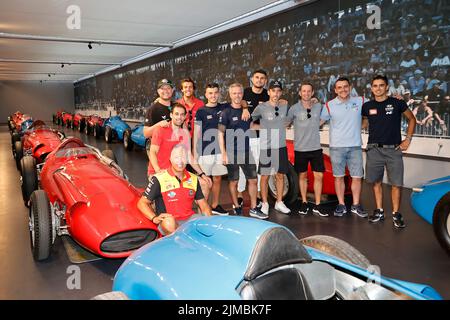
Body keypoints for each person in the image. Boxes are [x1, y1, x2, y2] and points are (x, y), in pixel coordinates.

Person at [362, 75, 416, 228]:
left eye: (381, 85)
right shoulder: (366, 106)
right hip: (374, 150)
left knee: (396, 184)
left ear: (386, 87)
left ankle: (396, 213)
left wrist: (408, 139)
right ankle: (379, 211)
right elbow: (364, 123)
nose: (378, 88)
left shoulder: (397, 102)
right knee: (376, 182)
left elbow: (412, 119)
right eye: (375, 86)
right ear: (371, 88)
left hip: (394, 150)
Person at [137, 144, 212, 235]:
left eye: (183, 157)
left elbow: (204, 206)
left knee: (205, 221)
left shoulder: (193, 179)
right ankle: (179, 242)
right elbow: (142, 203)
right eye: (176, 157)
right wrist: (154, 218)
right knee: (169, 222)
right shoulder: (159, 179)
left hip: (188, 220)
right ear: (170, 159)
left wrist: (210, 223)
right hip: (169, 222)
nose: (180, 161)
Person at [320, 77, 367, 218]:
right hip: (336, 148)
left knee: (357, 177)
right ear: (335, 90)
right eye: (339, 87)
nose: (343, 90)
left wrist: (364, 123)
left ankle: (356, 205)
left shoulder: (360, 101)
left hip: (355, 147)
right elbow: (319, 122)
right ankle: (341, 204)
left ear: (350, 87)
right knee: (339, 177)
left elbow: (375, 110)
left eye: (345, 86)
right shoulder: (329, 105)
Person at [218, 83, 265, 219]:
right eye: (234, 93)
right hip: (231, 153)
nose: (237, 96)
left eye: (239, 93)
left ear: (242, 94)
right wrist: (224, 153)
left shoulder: (247, 111)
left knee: (253, 180)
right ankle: (237, 207)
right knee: (234, 182)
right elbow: (220, 133)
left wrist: (265, 127)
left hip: (246, 151)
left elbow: (250, 125)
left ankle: (254, 208)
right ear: (230, 95)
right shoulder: (225, 113)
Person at [148, 103, 212, 191]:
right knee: (170, 196)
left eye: (182, 114)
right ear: (171, 115)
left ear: (185, 116)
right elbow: (152, 152)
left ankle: (198, 204)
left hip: (179, 172)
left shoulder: (185, 134)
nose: (179, 117)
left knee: (205, 184)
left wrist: (202, 174)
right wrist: (158, 171)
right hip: (159, 172)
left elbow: (189, 155)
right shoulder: (160, 130)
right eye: (176, 114)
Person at [287, 82, 327, 217]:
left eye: (308, 91)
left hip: (316, 148)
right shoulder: (293, 108)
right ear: (300, 93)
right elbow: (286, 122)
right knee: (302, 176)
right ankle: (304, 202)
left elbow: (326, 115)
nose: (306, 93)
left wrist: (318, 101)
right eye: (303, 91)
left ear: (312, 92)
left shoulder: (318, 106)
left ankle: (317, 204)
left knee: (319, 176)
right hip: (300, 149)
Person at [252, 80, 291, 216]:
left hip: (280, 146)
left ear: (281, 93)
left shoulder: (284, 105)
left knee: (280, 175)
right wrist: (260, 127)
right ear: (268, 92)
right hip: (266, 147)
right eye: (273, 90)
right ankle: (265, 203)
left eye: (278, 91)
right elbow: (250, 122)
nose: (276, 93)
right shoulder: (261, 107)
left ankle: (279, 202)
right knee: (265, 176)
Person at [193, 83, 228, 215]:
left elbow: (240, 101)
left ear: (219, 93)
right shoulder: (201, 111)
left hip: (219, 150)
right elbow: (196, 133)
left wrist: (246, 107)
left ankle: (215, 205)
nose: (213, 95)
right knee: (205, 181)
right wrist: (194, 152)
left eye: (215, 93)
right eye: (210, 93)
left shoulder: (224, 107)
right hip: (205, 150)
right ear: (206, 95)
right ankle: (202, 209)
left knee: (218, 178)